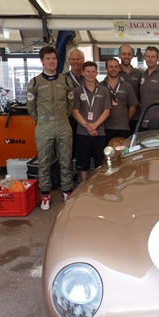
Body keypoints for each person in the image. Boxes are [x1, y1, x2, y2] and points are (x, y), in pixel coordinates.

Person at [26, 46, 74, 211]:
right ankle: (45, 195)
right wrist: (41, 121)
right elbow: (31, 107)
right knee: (44, 163)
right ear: (42, 61)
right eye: (48, 59)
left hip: (62, 123)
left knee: (66, 160)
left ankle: (67, 191)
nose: (52, 62)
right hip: (44, 125)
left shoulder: (65, 81)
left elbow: (70, 104)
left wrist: (61, 117)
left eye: (54, 58)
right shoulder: (35, 83)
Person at [71, 61, 111, 182]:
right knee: (83, 164)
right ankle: (85, 189)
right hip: (83, 133)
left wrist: (95, 125)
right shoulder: (77, 91)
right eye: (88, 71)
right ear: (83, 73)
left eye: (93, 71)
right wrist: (88, 126)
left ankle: (99, 188)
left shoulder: (103, 90)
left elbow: (107, 110)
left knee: (100, 165)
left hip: (100, 133)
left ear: (97, 73)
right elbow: (74, 111)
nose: (90, 74)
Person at [100, 58, 138, 142]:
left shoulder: (127, 86)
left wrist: (125, 120)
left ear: (119, 68)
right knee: (106, 154)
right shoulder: (100, 87)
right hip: (104, 128)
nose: (114, 69)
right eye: (111, 67)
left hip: (123, 128)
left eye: (116, 67)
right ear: (106, 68)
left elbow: (133, 107)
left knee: (123, 154)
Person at [63, 48, 85, 160]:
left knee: (83, 150)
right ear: (69, 61)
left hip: (86, 119)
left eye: (78, 59)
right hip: (69, 119)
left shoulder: (89, 77)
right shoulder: (62, 78)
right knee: (69, 149)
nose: (76, 61)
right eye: (73, 59)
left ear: (83, 60)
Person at [118, 44, 143, 134]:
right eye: (124, 54)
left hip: (136, 117)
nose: (126, 56)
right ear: (119, 55)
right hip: (119, 119)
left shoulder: (139, 74)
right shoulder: (115, 73)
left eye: (129, 54)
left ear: (132, 55)